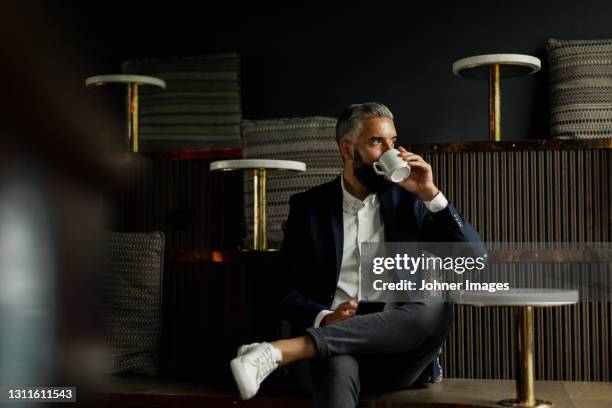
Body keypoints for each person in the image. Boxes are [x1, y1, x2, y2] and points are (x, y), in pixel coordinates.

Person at [230, 102, 484, 407]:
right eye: (377, 142)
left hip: (398, 354)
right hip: (335, 354)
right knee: (338, 360)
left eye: (393, 142)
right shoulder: (309, 208)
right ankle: (313, 345)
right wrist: (325, 319)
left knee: (436, 305)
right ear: (348, 150)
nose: (391, 152)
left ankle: (282, 350)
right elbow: (286, 292)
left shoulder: (410, 202)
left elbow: (474, 258)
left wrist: (431, 194)